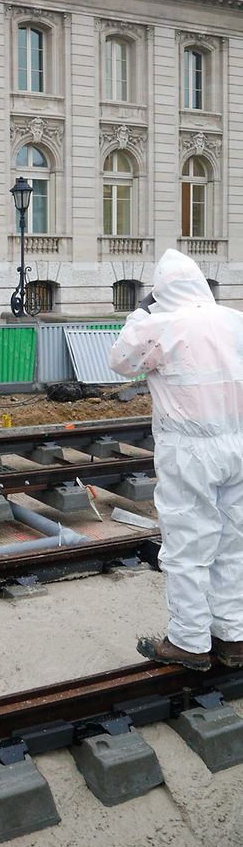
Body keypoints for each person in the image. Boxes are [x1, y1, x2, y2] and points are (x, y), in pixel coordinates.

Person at [110, 248, 243, 672]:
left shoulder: (161, 324)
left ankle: (189, 641)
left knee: (188, 545)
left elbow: (121, 362)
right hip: (238, 443)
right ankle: (234, 636)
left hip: (191, 450)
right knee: (233, 542)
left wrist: (139, 314)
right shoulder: (234, 320)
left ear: (161, 291)